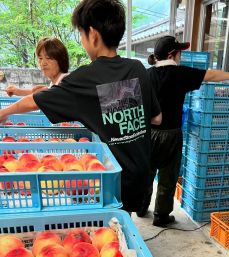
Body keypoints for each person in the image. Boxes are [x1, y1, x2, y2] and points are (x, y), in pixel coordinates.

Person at [0, 0, 162, 213]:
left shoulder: (85, 79)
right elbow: (156, 118)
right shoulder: (138, 67)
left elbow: (35, 100)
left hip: (110, 180)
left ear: (93, 34)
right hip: (142, 175)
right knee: (124, 221)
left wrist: (4, 112)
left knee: (109, 225)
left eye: (82, 34)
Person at [137, 35, 229, 227]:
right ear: (172, 54)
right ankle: (161, 216)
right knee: (167, 176)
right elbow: (211, 75)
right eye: (180, 52)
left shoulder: (146, 75)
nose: (181, 56)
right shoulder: (180, 73)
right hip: (171, 133)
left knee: (147, 172)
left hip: (148, 133)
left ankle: (140, 206)